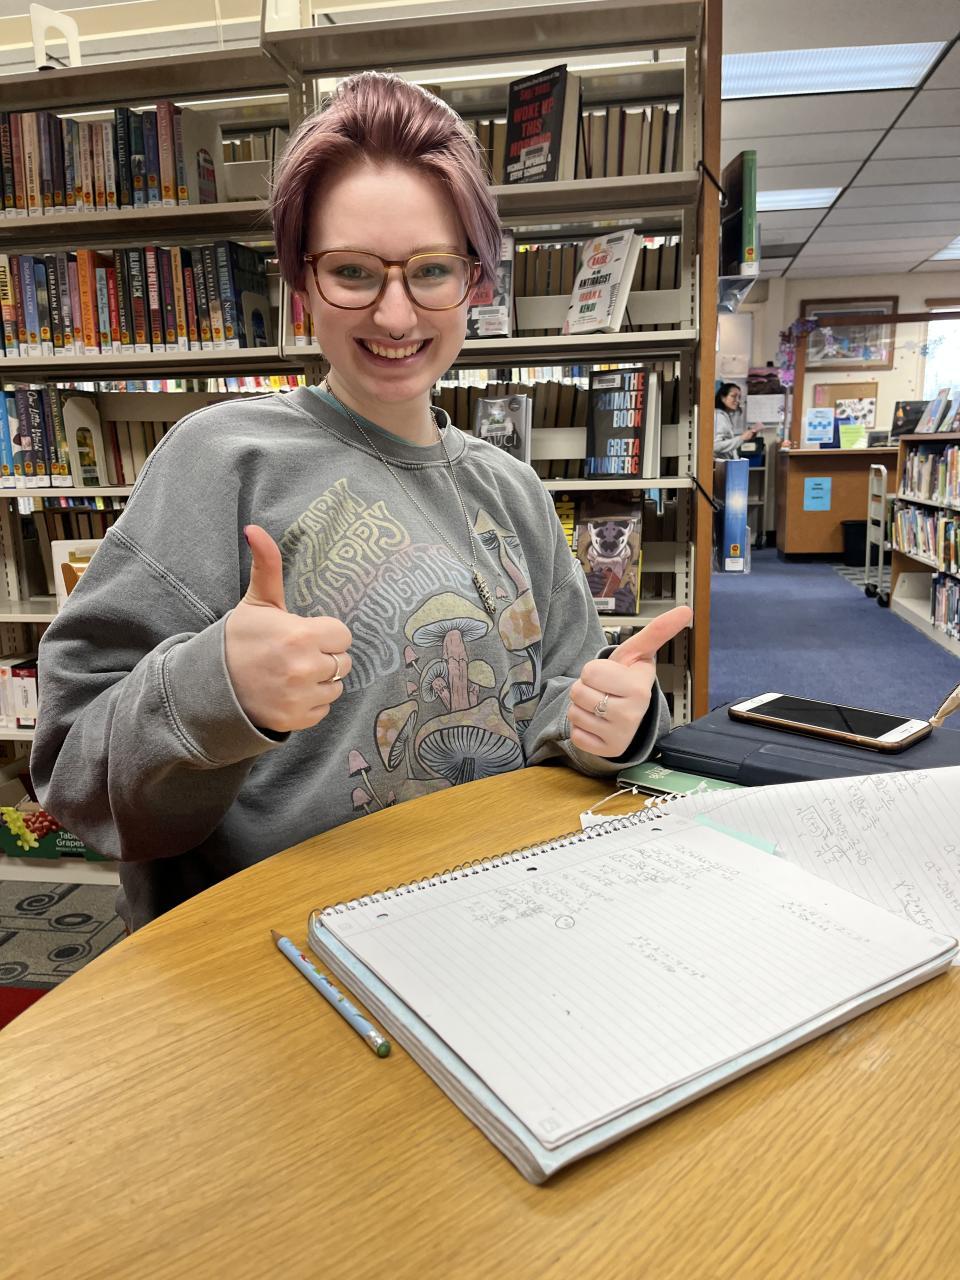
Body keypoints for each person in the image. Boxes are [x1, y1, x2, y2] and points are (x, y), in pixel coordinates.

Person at [31, 73, 692, 931]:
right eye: (352, 271)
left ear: (475, 283)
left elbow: (557, 695)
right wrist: (214, 688)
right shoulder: (223, 459)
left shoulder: (513, 490)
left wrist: (613, 719)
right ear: (302, 284)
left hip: (490, 925)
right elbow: (72, 771)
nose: (395, 313)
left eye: (432, 270)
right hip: (274, 954)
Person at [714, 383, 759, 459]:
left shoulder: (725, 416)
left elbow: (727, 443)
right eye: (733, 396)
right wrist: (742, 438)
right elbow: (716, 446)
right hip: (721, 464)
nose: (737, 400)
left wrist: (745, 438)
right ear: (723, 398)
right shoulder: (719, 416)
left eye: (739, 397)